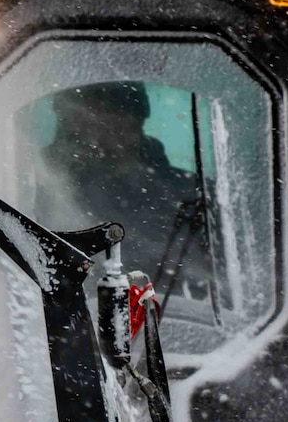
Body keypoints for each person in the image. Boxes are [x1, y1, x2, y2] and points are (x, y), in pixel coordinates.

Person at [33, 81, 209, 301]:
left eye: (110, 124)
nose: (95, 140)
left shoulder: (193, 195)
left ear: (135, 124)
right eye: (78, 126)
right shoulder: (30, 187)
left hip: (179, 324)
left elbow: (223, 284)